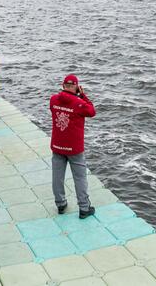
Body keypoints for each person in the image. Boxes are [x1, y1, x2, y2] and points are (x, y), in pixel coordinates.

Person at [50, 74, 97, 219]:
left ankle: (60, 204)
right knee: (80, 177)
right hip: (74, 148)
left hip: (57, 145)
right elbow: (92, 111)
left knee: (57, 176)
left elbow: (56, 109)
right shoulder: (78, 103)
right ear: (76, 87)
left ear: (63, 86)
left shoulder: (53, 100)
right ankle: (84, 208)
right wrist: (83, 95)